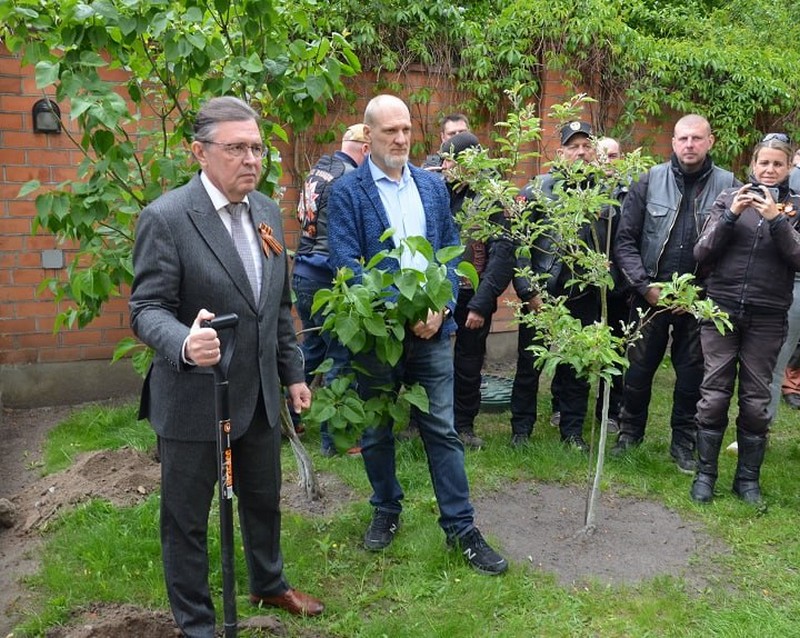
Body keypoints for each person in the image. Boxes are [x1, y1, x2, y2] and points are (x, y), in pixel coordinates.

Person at [129, 96, 323, 636]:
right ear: (199, 152)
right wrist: (185, 342)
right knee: (186, 519)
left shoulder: (265, 211)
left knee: (263, 498)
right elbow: (146, 309)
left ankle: (268, 582)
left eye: (257, 148)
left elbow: (276, 306)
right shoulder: (168, 218)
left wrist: (292, 374)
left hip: (258, 395)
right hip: (194, 398)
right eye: (236, 148)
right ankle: (196, 622)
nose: (251, 159)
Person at [327, 94, 508, 575]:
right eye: (390, 131)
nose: (401, 139)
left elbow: (450, 249)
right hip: (380, 334)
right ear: (369, 135)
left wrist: (441, 304)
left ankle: (461, 527)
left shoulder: (431, 186)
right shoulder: (347, 192)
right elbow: (346, 262)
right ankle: (386, 507)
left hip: (433, 329)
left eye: (406, 129)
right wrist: (400, 309)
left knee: (442, 430)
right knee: (376, 428)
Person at [611, 114, 739, 473]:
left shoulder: (729, 185)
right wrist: (644, 287)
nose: (689, 145)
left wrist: (702, 294)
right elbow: (624, 241)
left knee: (691, 376)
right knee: (637, 371)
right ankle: (629, 434)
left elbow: (734, 250)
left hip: (698, 300)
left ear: (710, 141)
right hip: (649, 296)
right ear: (673, 142)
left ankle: (683, 443)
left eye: (697, 138)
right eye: (683, 138)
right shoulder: (649, 180)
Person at [690, 137, 800, 504]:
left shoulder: (795, 207)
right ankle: (705, 475)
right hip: (721, 312)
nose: (769, 170)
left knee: (755, 401)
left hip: (768, 316)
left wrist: (776, 221)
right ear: (753, 165)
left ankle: (747, 480)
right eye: (764, 163)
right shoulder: (728, 198)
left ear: (788, 167)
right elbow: (702, 251)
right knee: (713, 396)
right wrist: (730, 216)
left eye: (777, 164)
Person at [510, 121, 608, 451]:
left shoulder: (604, 195)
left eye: (586, 146)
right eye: (573, 146)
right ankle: (521, 430)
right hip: (542, 293)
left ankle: (572, 432)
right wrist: (529, 291)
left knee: (576, 367)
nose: (580, 152)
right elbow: (520, 246)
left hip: (584, 295)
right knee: (529, 365)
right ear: (560, 152)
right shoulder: (537, 190)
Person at [293, 123, 370, 456]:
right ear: (365, 149)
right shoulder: (347, 180)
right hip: (328, 279)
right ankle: (336, 439)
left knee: (312, 350)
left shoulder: (318, 171)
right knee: (341, 355)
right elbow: (341, 238)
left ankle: (287, 418)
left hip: (302, 274)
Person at [441, 131, 515, 449]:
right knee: (427, 360)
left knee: (468, 364)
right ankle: (421, 422)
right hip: (437, 292)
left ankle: (463, 427)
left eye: (450, 161)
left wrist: (481, 303)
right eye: (444, 160)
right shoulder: (438, 193)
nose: (445, 167)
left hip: (472, 296)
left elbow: (502, 256)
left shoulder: (492, 199)